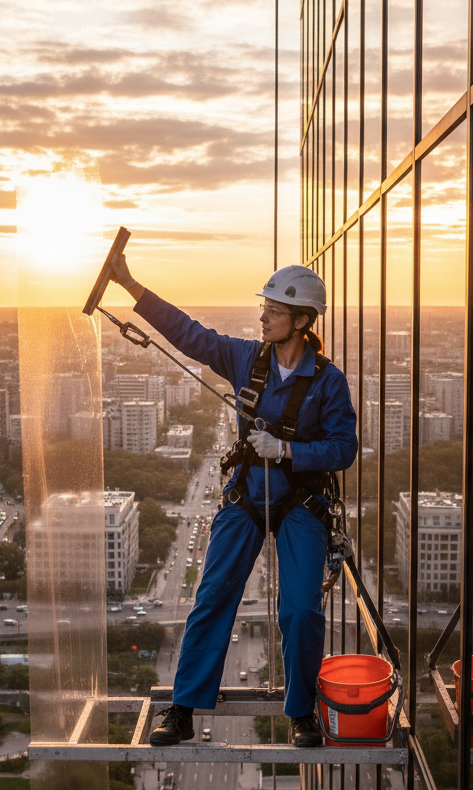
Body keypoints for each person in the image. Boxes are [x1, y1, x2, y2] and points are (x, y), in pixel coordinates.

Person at [109, 254, 358, 747]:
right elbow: (189, 333)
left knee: (301, 610)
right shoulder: (246, 357)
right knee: (213, 595)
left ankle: (302, 711)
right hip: (247, 495)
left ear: (302, 321)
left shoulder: (328, 381)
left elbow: (344, 448)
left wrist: (288, 449)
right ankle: (183, 709)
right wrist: (131, 286)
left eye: (273, 310)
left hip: (299, 502)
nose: (262, 316)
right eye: (263, 307)